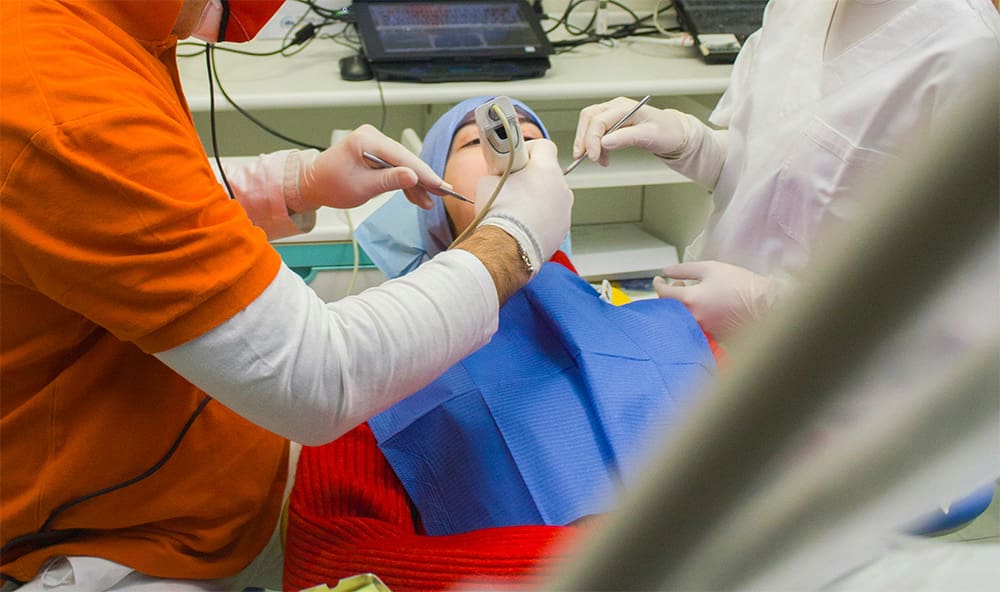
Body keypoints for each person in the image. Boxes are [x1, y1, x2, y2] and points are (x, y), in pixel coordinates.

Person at [0, 2, 572, 590]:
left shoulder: (114, 27)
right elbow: (317, 380)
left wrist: (294, 183)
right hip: (107, 538)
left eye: (532, 141)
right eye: (480, 141)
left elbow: (128, 196)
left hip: (216, 486)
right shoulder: (57, 96)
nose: (522, 161)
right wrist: (513, 240)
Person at [282, 97, 720, 592]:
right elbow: (328, 563)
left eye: (533, 138)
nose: (515, 148)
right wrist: (587, 556)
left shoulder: (671, 325)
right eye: (474, 140)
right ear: (428, 196)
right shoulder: (376, 365)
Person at [572, 0, 1000, 343]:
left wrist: (770, 306)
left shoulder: (967, 55)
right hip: (713, 341)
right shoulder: (795, 9)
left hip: (835, 384)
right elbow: (768, 166)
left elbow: (962, 301)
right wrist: (688, 139)